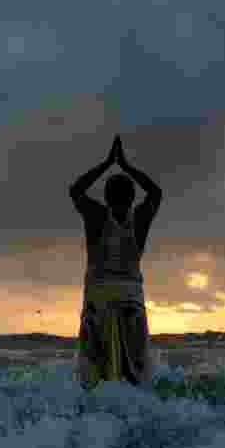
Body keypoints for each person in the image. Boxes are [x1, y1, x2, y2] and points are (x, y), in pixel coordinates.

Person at [69, 135, 162, 391]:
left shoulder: (97, 215)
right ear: (133, 198)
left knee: (90, 373)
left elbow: (75, 190)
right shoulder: (140, 218)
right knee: (137, 373)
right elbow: (156, 192)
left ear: (106, 198)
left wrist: (107, 163)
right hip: (131, 298)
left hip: (98, 297)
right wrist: (126, 166)